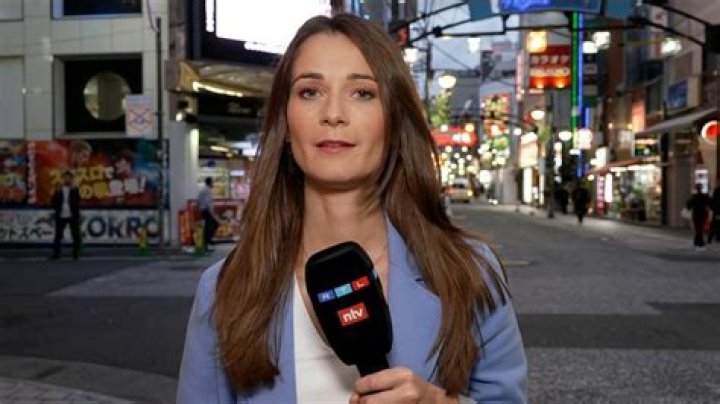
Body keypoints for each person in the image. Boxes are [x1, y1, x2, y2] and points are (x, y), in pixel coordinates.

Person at [178, 14, 527, 403]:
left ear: (394, 122)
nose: (333, 113)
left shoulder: (468, 273)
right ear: (285, 123)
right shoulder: (225, 289)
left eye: (362, 93)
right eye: (310, 92)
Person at [49, 171, 81, 260]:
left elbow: (77, 201)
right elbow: (53, 201)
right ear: (63, 179)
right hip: (61, 215)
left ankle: (76, 253)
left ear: (71, 179)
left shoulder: (75, 189)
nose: (67, 180)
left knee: (75, 235)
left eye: (69, 178)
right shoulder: (58, 189)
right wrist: (56, 192)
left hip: (72, 215)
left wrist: (73, 190)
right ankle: (56, 254)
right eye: (65, 178)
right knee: (58, 235)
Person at [686, 183, 711, 251]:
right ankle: (699, 242)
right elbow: (710, 204)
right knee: (700, 228)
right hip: (703, 214)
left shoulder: (694, 196)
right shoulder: (705, 196)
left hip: (696, 214)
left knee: (698, 228)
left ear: (696, 188)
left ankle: (698, 242)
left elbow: (689, 205)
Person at [197, 177, 219, 252]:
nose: (213, 184)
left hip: (203, 210)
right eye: (213, 182)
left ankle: (207, 242)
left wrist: (199, 208)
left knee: (208, 226)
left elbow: (198, 200)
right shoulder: (208, 191)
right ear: (210, 183)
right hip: (207, 210)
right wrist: (212, 214)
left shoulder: (203, 190)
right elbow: (208, 203)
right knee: (215, 224)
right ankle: (208, 241)